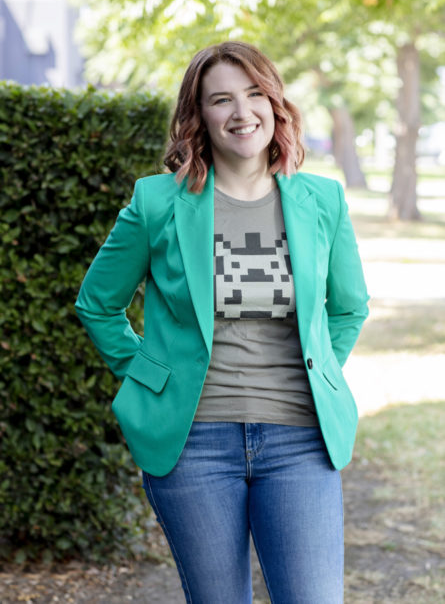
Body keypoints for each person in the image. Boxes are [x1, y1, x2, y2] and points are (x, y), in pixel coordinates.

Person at [75, 41, 369, 604]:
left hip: (299, 438)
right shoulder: (157, 202)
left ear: (275, 104)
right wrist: (148, 376)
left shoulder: (322, 200)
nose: (242, 112)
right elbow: (98, 303)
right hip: (193, 444)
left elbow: (349, 306)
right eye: (222, 100)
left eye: (255, 94)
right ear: (198, 115)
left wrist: (320, 370)